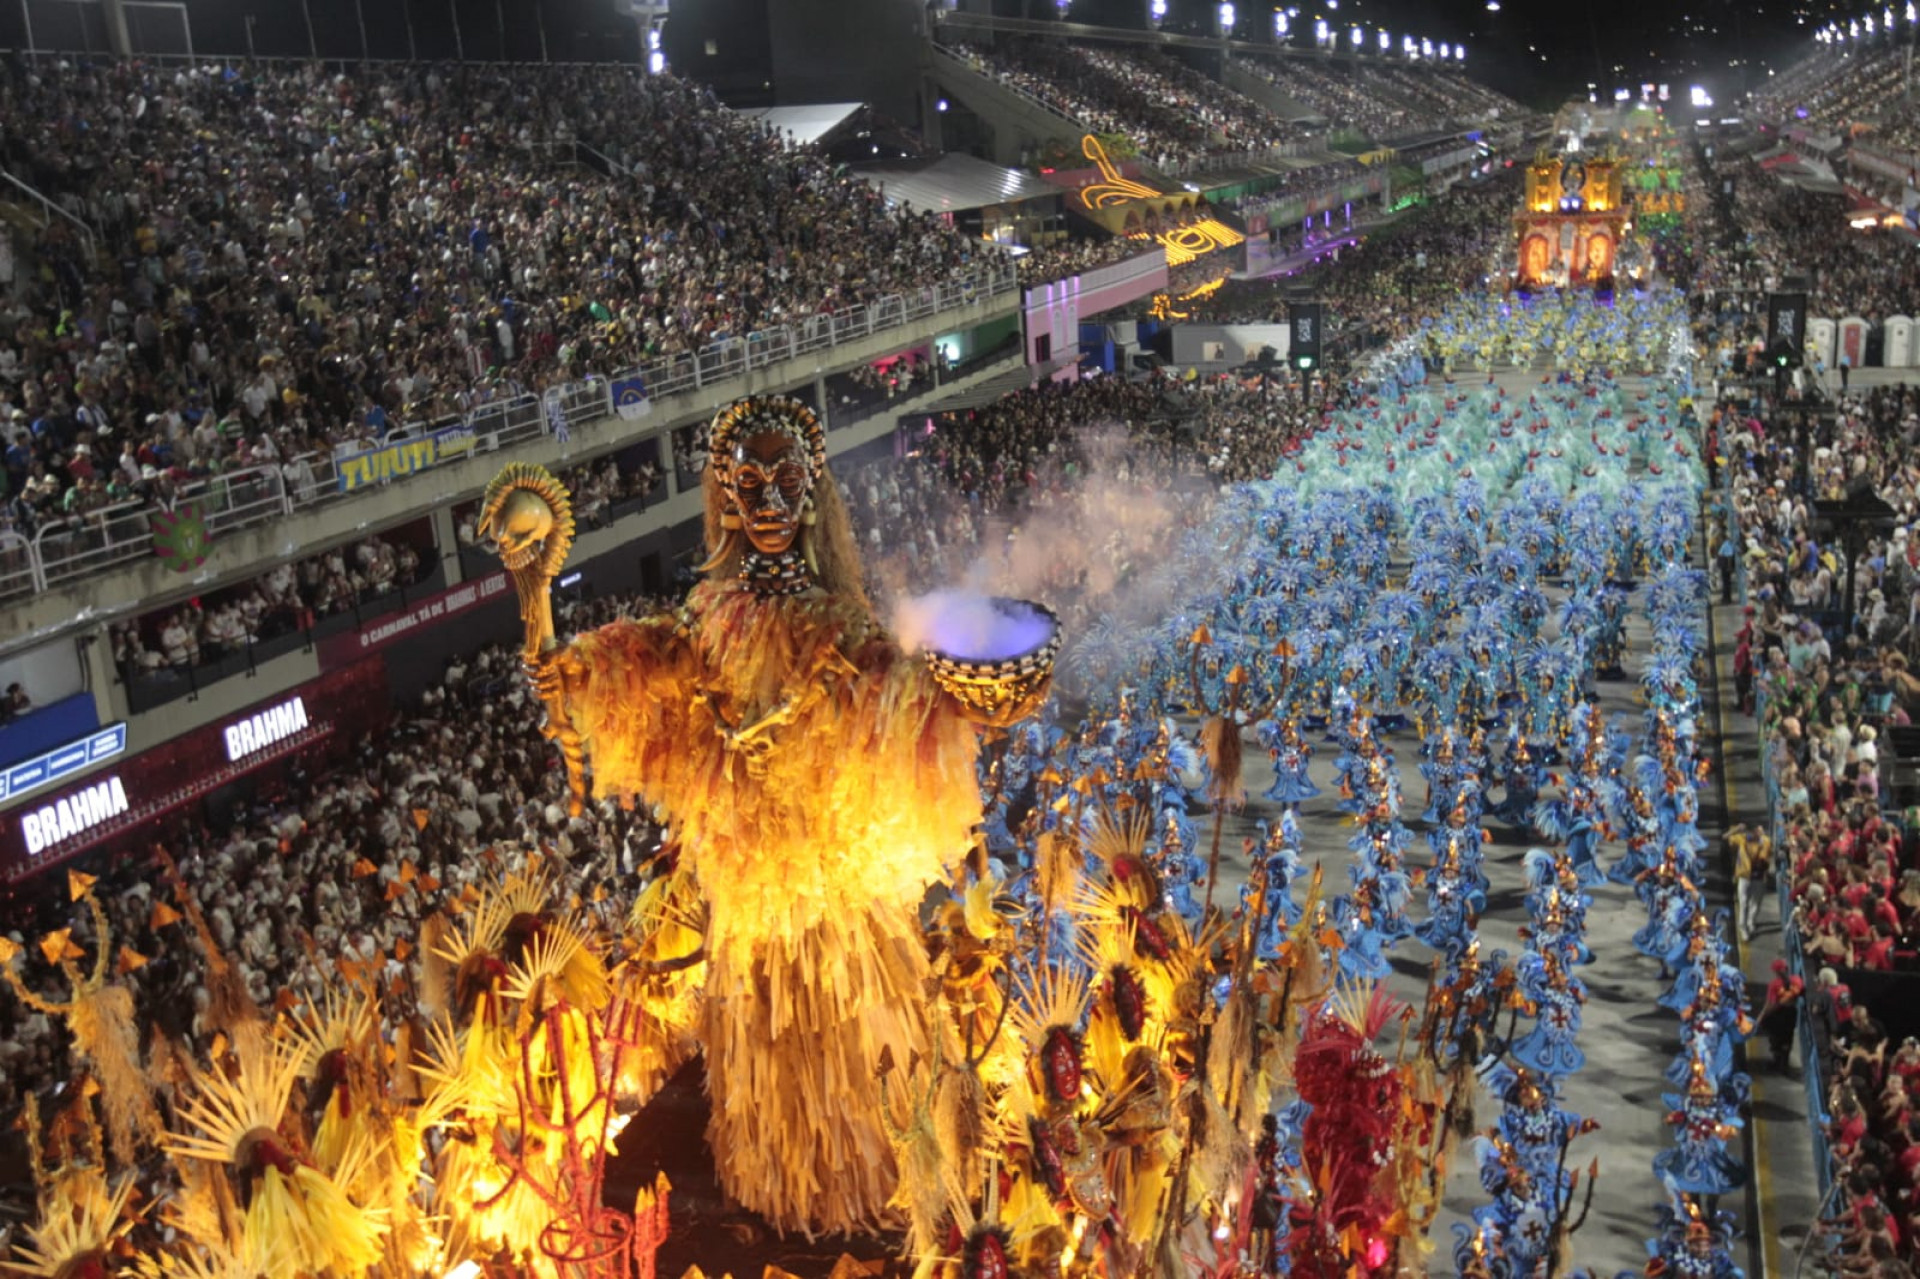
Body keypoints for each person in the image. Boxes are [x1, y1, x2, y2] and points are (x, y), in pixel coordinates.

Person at [1757, 957, 1804, 1073]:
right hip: (1792, 1013)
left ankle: (1777, 1062)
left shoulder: (1774, 985)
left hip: (1779, 1015)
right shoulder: (1797, 981)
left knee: (1776, 1037)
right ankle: (1785, 1063)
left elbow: (1771, 1004)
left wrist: (1761, 1017)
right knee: (1787, 1038)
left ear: (1776, 972)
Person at [1730, 823, 1773, 943]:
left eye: (1761, 831)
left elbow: (1764, 858)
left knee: (1756, 902)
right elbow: (1726, 837)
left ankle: (1751, 922)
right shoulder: (1742, 839)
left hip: (1758, 876)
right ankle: (1742, 927)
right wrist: (1736, 829)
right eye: (1757, 831)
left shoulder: (1765, 842)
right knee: (1743, 902)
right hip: (1744, 876)